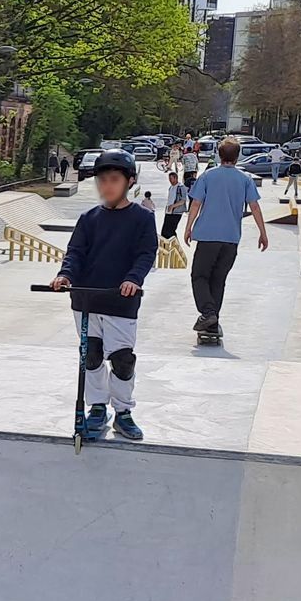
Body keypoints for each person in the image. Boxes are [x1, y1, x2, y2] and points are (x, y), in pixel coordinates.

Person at [50, 149, 156, 442]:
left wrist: (133, 279)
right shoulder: (89, 219)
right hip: (86, 299)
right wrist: (65, 275)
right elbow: (75, 253)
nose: (107, 186)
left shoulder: (142, 219)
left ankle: (123, 411)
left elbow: (146, 254)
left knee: (122, 359)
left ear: (129, 182)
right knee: (91, 356)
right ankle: (97, 407)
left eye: (114, 180)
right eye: (102, 180)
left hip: (120, 300)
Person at [183, 135, 269, 344]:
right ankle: (212, 322)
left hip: (207, 236)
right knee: (218, 279)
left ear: (219, 155)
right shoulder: (245, 179)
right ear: (237, 157)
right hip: (231, 238)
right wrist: (263, 233)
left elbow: (196, 204)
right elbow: (255, 206)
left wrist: (188, 227)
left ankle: (208, 313)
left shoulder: (207, 176)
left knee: (199, 276)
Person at [162, 171, 191, 241]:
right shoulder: (171, 187)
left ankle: (175, 245)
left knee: (171, 231)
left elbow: (183, 200)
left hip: (176, 212)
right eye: (169, 179)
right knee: (164, 232)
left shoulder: (181, 187)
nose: (170, 180)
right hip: (169, 212)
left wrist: (173, 206)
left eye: (171, 179)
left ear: (176, 178)